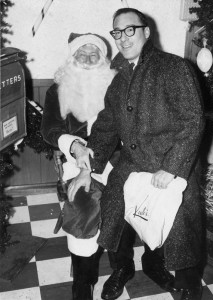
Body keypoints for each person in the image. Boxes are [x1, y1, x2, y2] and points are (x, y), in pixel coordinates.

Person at [68, 8, 205, 300]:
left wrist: (171, 168)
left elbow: (193, 121)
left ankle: (187, 286)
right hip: (132, 166)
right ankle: (122, 270)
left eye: (129, 29)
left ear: (146, 31)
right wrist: (86, 169)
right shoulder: (118, 79)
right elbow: (105, 128)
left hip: (172, 168)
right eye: (117, 32)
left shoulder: (173, 67)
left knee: (180, 234)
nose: (122, 37)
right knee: (115, 214)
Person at [41, 32, 117, 300]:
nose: (87, 58)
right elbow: (49, 128)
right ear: (72, 57)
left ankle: (122, 267)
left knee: (130, 198)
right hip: (76, 158)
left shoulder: (115, 86)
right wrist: (73, 145)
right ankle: (83, 282)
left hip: (115, 157)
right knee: (84, 203)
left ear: (102, 57)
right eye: (81, 53)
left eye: (93, 53)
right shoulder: (57, 89)